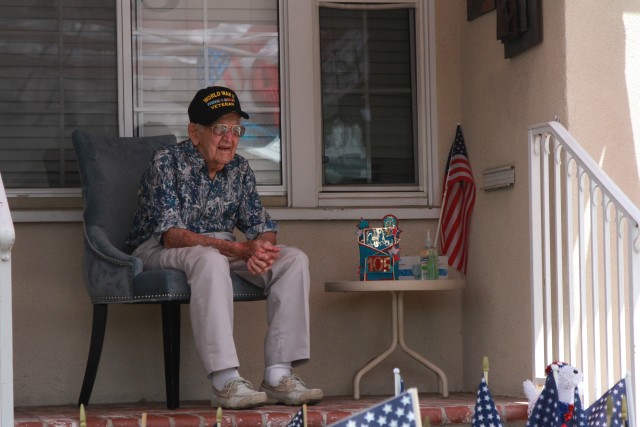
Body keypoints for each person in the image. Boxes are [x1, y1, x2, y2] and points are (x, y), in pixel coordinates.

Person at [126, 86, 323, 409]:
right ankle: (225, 379)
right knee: (209, 259)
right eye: (220, 129)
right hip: (158, 248)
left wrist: (260, 249)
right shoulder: (166, 162)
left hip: (222, 248)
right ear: (195, 132)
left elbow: (263, 226)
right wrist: (240, 251)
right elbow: (172, 236)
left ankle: (278, 376)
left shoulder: (240, 169)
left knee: (292, 260)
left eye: (235, 130)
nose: (229, 139)